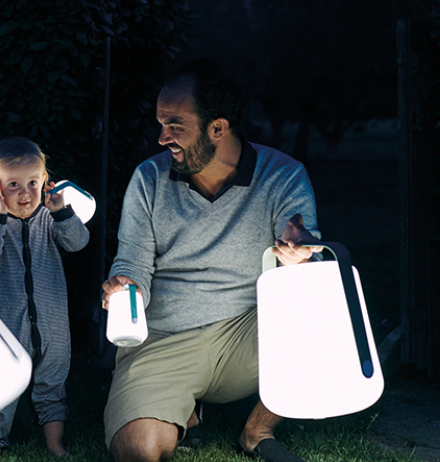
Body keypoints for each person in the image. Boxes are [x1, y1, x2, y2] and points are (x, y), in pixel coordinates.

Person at [101, 59, 322, 462]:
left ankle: (257, 431)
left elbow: (302, 248)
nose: (162, 138)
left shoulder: (283, 176)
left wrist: (299, 257)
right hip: (165, 339)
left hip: (248, 335)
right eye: (160, 124)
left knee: (326, 298)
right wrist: (125, 285)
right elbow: (132, 261)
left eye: (174, 125)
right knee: (136, 450)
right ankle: (183, 410)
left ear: (217, 128)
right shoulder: (148, 179)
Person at [0, 137, 90, 459]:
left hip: (52, 325)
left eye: (33, 183)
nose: (25, 193)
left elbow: (78, 242)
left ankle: (54, 443)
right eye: (13, 185)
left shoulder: (50, 218)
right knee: (1, 384)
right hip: (7, 325)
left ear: (45, 182)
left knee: (52, 381)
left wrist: (63, 212)